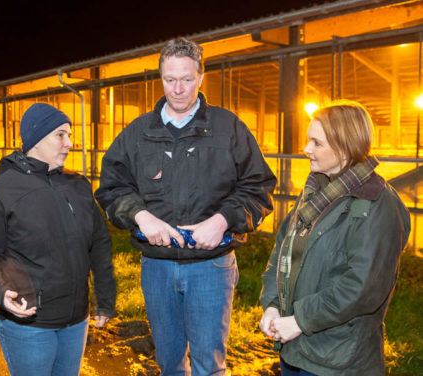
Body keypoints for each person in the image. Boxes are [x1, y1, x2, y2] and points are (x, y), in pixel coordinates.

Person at [95, 37, 277, 375]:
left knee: (210, 365)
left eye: (187, 79)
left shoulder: (228, 129)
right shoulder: (138, 133)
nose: (178, 89)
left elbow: (260, 187)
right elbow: (110, 187)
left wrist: (222, 220)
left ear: (201, 77)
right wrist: (140, 214)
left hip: (212, 266)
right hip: (158, 266)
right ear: (160, 77)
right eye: (170, 79)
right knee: (168, 362)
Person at [259, 101, 410, 376]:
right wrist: (271, 305)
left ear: (344, 147)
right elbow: (283, 250)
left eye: (317, 143)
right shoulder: (315, 191)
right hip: (295, 349)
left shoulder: (377, 205)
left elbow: (362, 288)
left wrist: (300, 321)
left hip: (338, 360)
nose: (306, 149)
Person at [0, 103, 116, 376]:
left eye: (69, 135)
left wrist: (105, 298)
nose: (69, 143)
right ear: (36, 139)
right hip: (28, 323)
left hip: (76, 321)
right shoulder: (3, 190)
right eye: (60, 135)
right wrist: (0, 292)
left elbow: (99, 243)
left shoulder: (78, 185)